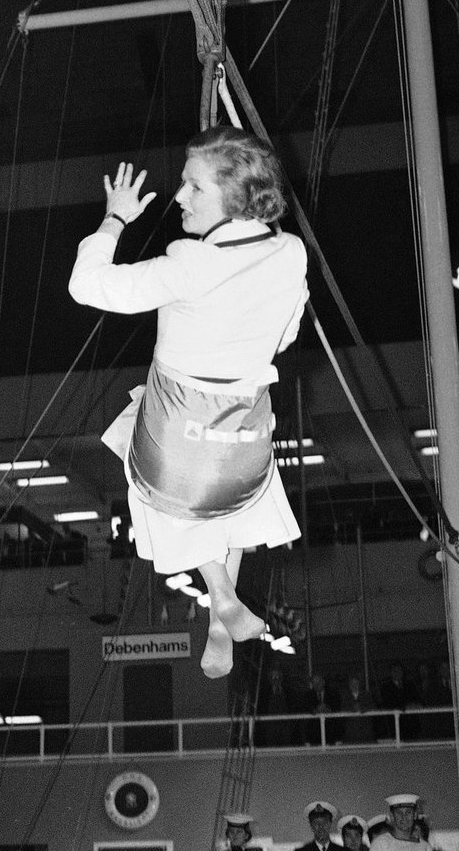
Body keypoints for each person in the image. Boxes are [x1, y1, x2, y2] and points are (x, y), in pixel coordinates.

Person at [68, 128, 308, 679]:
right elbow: (288, 333)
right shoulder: (289, 252)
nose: (179, 197)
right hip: (244, 442)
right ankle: (224, 611)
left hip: (179, 449)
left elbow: (88, 286)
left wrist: (116, 219)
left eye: (192, 186)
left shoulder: (188, 263)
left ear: (232, 194)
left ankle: (221, 591)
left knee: (141, 434)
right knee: (232, 503)